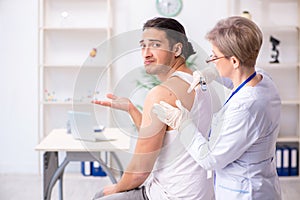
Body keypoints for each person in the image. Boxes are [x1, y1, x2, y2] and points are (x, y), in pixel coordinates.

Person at [152, 16, 282, 200]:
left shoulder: (245, 108)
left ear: (235, 61)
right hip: (261, 184)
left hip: (244, 193)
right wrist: (211, 74)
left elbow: (210, 159)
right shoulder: (264, 80)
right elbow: (240, 79)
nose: (211, 60)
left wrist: (182, 123)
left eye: (215, 55)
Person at [92, 17, 215, 200]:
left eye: (155, 45)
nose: (146, 53)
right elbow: (164, 138)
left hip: (170, 195)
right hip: (199, 192)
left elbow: (140, 171)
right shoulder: (199, 82)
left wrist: (115, 188)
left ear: (177, 49)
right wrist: (132, 109)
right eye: (143, 46)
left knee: (100, 195)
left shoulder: (162, 93)